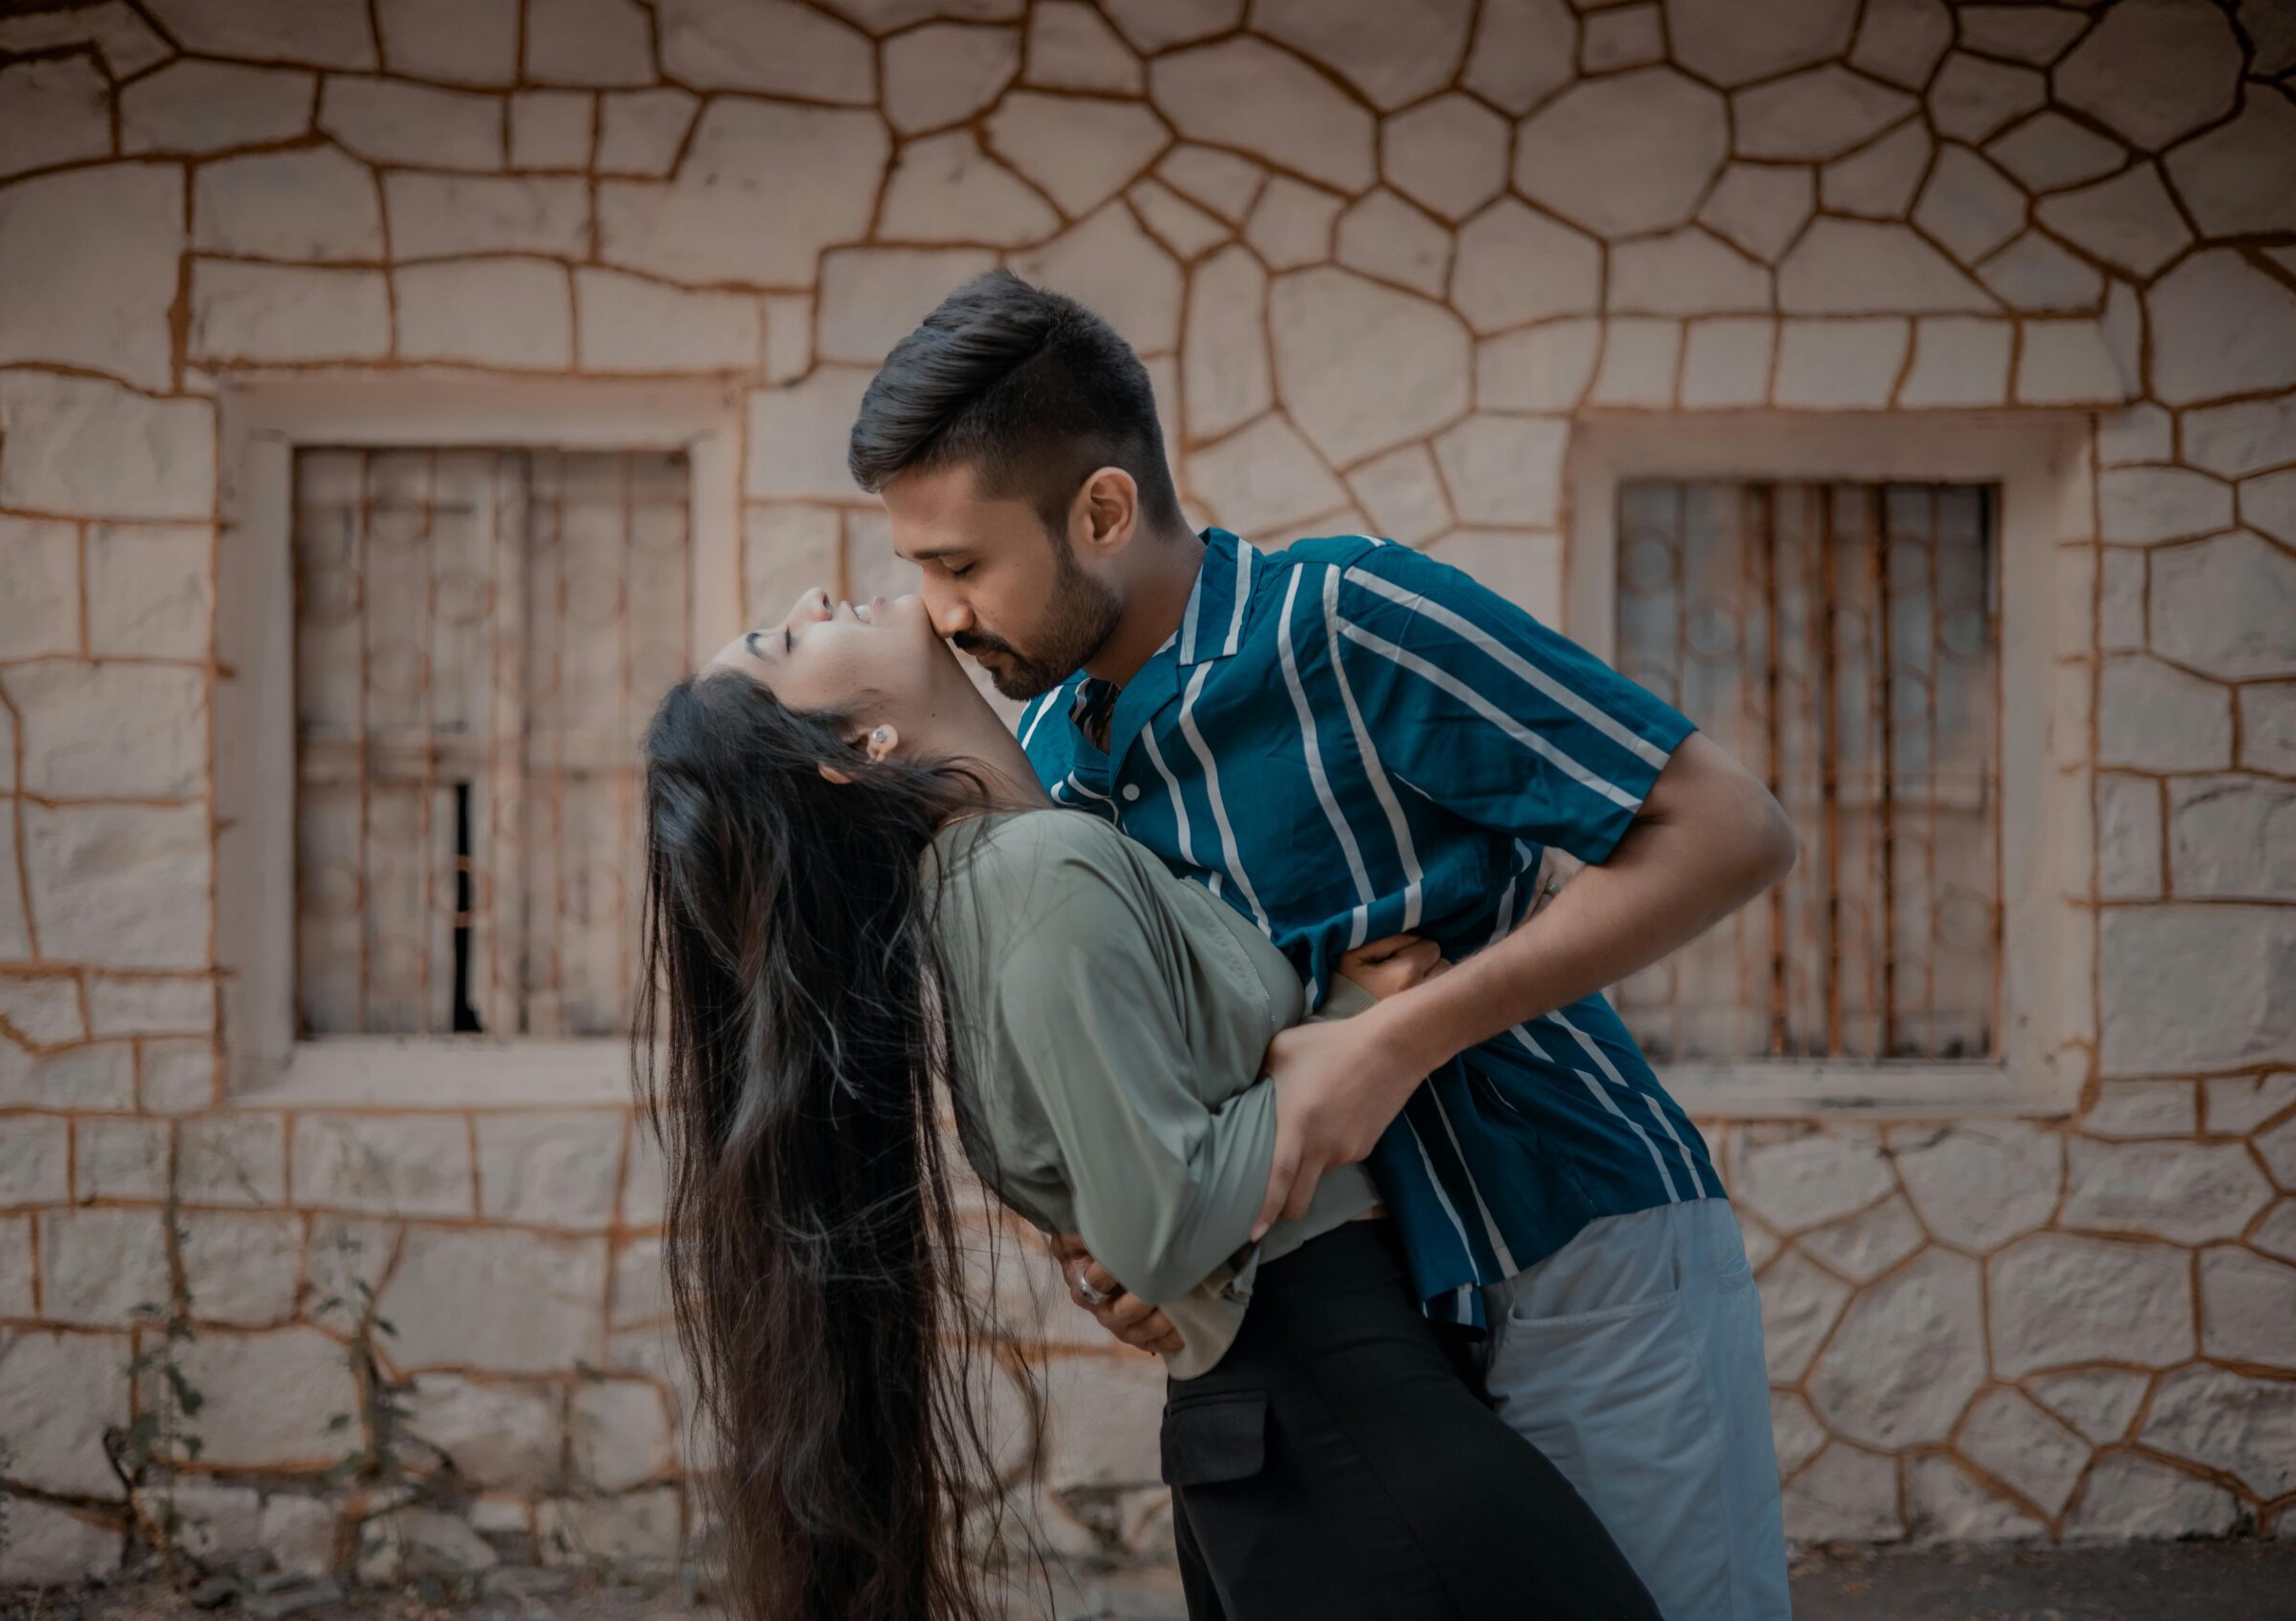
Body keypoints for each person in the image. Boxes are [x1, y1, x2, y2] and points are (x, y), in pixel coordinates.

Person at [847, 270, 1800, 1621]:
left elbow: (1727, 828)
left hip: (1575, 1246)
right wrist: (1134, 1246)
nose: (941, 610)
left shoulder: (1344, 619)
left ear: (1103, 510)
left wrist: (1393, 1037)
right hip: (1355, 1346)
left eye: (961, 561)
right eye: (918, 570)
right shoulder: (1054, 764)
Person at [633, 587, 1666, 1621]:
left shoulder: (1011, 868)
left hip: (1299, 1422)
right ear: (860, 744)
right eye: (786, 639)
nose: (814, 600)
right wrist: (1355, 1028)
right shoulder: (1029, 871)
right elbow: (1161, 1225)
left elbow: (1141, 1201)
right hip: (1334, 1406)